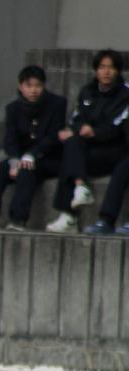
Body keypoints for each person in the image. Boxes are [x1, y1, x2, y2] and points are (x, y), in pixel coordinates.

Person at [0, 66, 67, 231]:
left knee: (28, 170)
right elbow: (10, 140)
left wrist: (32, 155)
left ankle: (18, 219)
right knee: (0, 170)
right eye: (29, 86)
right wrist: (14, 161)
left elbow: (54, 137)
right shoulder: (13, 109)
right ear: (21, 87)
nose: (34, 90)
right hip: (21, 158)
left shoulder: (57, 104)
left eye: (38, 85)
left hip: (49, 158)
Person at [46, 49, 129, 234]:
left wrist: (95, 132)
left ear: (118, 71)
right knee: (71, 145)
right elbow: (77, 118)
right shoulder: (87, 92)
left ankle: (74, 213)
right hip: (91, 149)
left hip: (114, 150)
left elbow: (118, 126)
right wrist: (77, 130)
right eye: (102, 67)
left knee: (72, 155)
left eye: (111, 68)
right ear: (96, 70)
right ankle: (78, 189)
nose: (106, 72)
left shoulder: (125, 95)